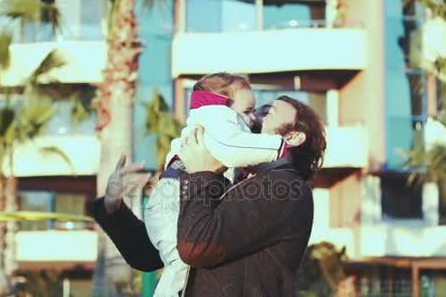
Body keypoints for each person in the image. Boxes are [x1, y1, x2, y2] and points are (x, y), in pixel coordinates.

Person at [90, 95, 326, 297]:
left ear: (293, 137)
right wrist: (115, 207)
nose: (250, 118)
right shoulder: (233, 182)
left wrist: (202, 174)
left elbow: (196, 246)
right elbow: (148, 256)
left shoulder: (286, 188)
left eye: (266, 113)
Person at [144, 73, 287, 296]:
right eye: (247, 111)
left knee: (184, 264)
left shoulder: (208, 123)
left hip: (173, 201)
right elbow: (233, 146)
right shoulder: (217, 122)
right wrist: (277, 147)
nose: (253, 120)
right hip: (172, 204)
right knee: (181, 262)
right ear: (222, 105)